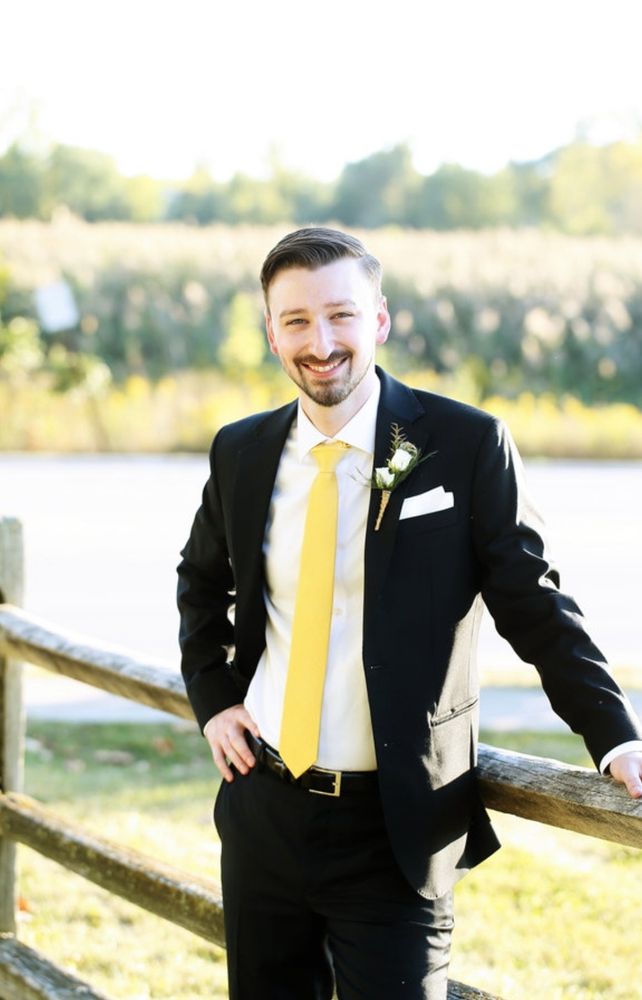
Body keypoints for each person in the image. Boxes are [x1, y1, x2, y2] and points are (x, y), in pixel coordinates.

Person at [177, 227, 642, 1000]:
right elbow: (201, 584)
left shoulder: (463, 444)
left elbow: (536, 604)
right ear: (270, 332)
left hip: (395, 827)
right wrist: (214, 698)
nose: (320, 342)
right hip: (264, 813)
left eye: (341, 316)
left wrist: (615, 736)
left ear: (380, 320)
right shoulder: (243, 451)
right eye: (295, 321)